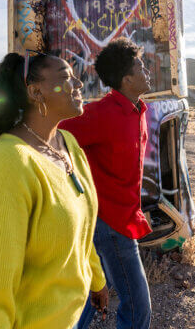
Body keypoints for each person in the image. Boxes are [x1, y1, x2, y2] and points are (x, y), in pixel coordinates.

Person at [0, 52, 109, 328]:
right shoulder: (4, 168)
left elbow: (81, 225)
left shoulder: (67, 144)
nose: (79, 84)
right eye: (66, 77)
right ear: (35, 92)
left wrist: (96, 278)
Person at [60, 38, 153, 329]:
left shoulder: (139, 110)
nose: (147, 70)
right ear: (126, 79)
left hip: (124, 216)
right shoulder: (101, 114)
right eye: (141, 66)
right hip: (109, 222)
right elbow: (55, 133)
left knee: (94, 290)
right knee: (138, 308)